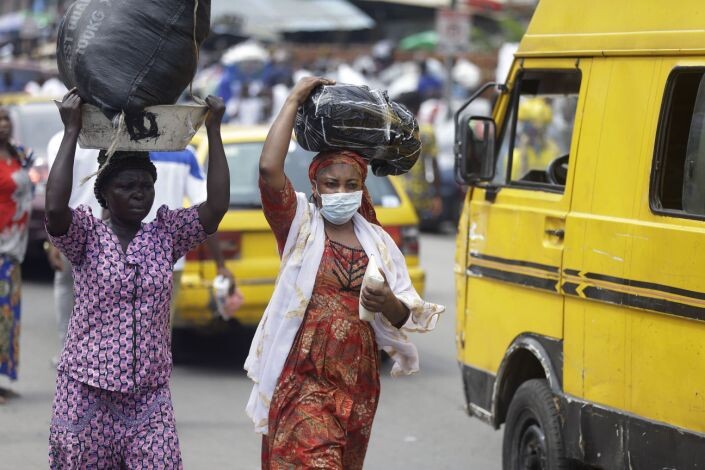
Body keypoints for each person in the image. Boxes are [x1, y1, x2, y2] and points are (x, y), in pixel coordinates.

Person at [246, 77, 444, 469]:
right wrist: (293, 99)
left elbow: (409, 313)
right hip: (303, 378)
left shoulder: (378, 244)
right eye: (331, 184)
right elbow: (270, 169)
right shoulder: (300, 225)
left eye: (350, 184)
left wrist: (386, 301)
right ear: (315, 187)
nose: (341, 191)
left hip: (358, 383)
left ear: (362, 188)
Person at [44, 89, 230, 468]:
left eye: (145, 186)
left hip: (148, 395)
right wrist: (70, 131)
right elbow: (53, 208)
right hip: (86, 391)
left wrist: (214, 130)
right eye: (126, 187)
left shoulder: (166, 234)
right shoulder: (86, 236)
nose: (138, 195)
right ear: (104, 194)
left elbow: (215, 208)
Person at [146, 148, 234, 321]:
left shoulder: (124, 144)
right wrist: (221, 265)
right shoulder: (184, 153)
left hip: (121, 256)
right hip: (167, 263)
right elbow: (208, 209)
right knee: (159, 331)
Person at [45, 132, 102, 367]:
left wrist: (52, 240)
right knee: (95, 292)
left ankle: (69, 351)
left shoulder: (59, 140)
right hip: (101, 227)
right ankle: (90, 352)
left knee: (66, 286)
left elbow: (54, 190)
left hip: (70, 227)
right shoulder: (108, 134)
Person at [0, 108, 33, 404]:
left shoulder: (20, 155)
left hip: (14, 248)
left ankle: (4, 378)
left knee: (8, 316)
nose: (3, 125)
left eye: (6, 120)